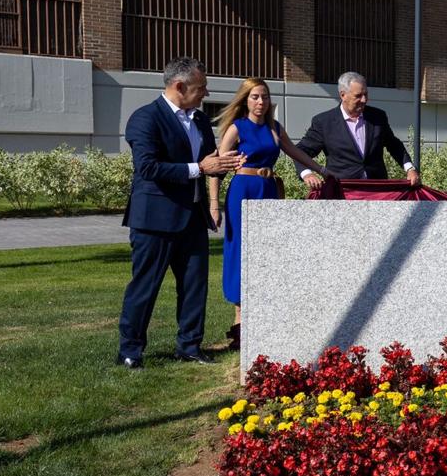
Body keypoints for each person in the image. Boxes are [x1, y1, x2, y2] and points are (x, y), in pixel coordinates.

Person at [116, 57, 243, 368]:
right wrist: (200, 167)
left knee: (194, 287)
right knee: (145, 286)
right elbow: (148, 167)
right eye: (201, 87)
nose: (206, 92)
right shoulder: (145, 118)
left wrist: (223, 165)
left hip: (192, 218)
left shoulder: (200, 121)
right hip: (154, 221)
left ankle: (189, 345)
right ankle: (130, 351)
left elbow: (208, 164)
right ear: (179, 86)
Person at [209, 79, 332, 349]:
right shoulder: (237, 128)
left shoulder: (275, 128)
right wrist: (213, 204)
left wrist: (321, 170)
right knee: (240, 250)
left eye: (264, 96)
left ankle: (265, 315)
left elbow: (295, 152)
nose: (260, 102)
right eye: (255, 97)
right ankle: (239, 322)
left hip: (269, 190)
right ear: (246, 100)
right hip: (243, 189)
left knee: (267, 252)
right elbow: (217, 165)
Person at [296, 71, 420, 189]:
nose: (364, 100)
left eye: (366, 94)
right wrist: (307, 174)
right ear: (343, 95)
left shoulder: (378, 117)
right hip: (342, 192)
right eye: (358, 96)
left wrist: (410, 169)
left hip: (376, 191)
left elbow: (394, 145)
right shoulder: (323, 122)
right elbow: (300, 152)